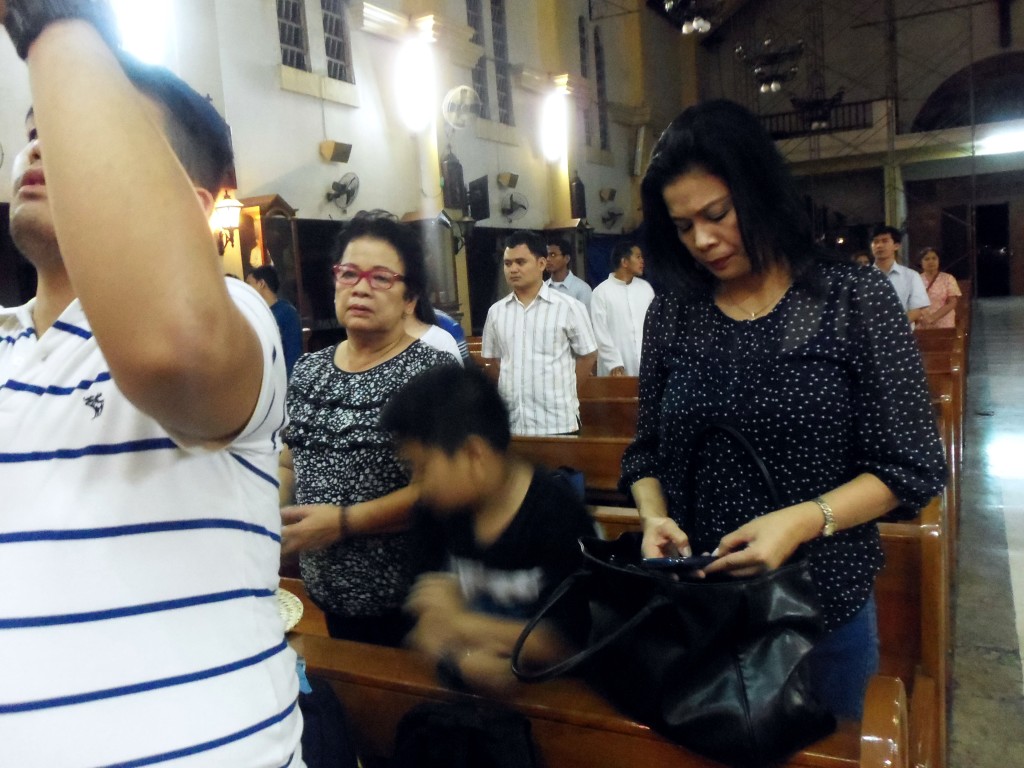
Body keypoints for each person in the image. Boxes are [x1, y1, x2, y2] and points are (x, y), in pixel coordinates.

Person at [0, 5, 303, 766]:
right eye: (38, 124)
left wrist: (56, 24)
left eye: (80, 128)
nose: (44, 142)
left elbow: (178, 345)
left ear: (194, 210)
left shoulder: (234, 314)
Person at [622, 100, 946, 720]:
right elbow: (645, 452)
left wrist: (801, 521)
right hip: (700, 611)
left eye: (717, 214)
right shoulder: (672, 313)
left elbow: (910, 466)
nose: (703, 240)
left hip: (817, 611)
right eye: (683, 226)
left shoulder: (855, 298)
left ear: (761, 191)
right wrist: (653, 515)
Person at [279, 214, 457, 647]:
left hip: (414, 611)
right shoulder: (309, 370)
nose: (360, 288)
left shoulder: (432, 374)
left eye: (381, 277)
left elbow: (439, 490)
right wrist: (270, 518)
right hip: (325, 602)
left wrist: (342, 523)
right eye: (349, 274)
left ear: (410, 296)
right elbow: (290, 459)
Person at [380, 365, 595, 695]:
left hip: (556, 706)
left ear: (473, 454)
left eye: (422, 467)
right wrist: (460, 658)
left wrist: (461, 624)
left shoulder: (558, 514)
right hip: (462, 703)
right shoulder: (434, 512)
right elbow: (423, 626)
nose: (416, 484)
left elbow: (568, 642)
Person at [481, 230, 597, 435]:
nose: (513, 269)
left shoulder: (569, 307)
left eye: (520, 262)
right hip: (514, 423)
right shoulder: (496, 312)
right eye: (508, 264)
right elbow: (491, 360)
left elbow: (588, 355)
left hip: (557, 421)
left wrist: (566, 390)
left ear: (541, 264)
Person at [589, 241, 655, 376]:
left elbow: (654, 326)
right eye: (638, 257)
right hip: (615, 369)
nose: (642, 261)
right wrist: (614, 362)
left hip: (647, 365)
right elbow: (600, 332)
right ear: (624, 262)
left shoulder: (646, 289)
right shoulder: (601, 292)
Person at [247, 264, 304, 378]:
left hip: (282, 382)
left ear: (261, 284)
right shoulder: (256, 314)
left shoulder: (287, 313)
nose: (247, 290)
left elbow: (293, 355)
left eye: (249, 284)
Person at [870, 225, 930, 324]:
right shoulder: (861, 277)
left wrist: (895, 327)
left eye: (885, 241)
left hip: (901, 335)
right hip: (869, 336)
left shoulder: (911, 276)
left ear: (896, 245)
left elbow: (917, 309)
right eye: (875, 241)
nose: (879, 245)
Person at [917, 247, 962, 330]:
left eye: (934, 258)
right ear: (921, 262)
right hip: (922, 323)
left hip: (945, 323)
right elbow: (913, 303)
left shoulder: (948, 278)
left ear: (938, 260)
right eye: (927, 259)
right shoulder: (915, 280)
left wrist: (934, 317)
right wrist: (924, 318)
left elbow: (952, 302)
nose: (931, 261)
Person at [545, 237, 593, 309]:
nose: (548, 259)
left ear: (566, 258)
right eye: (546, 255)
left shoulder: (582, 289)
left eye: (553, 255)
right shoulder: (543, 288)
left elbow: (586, 318)